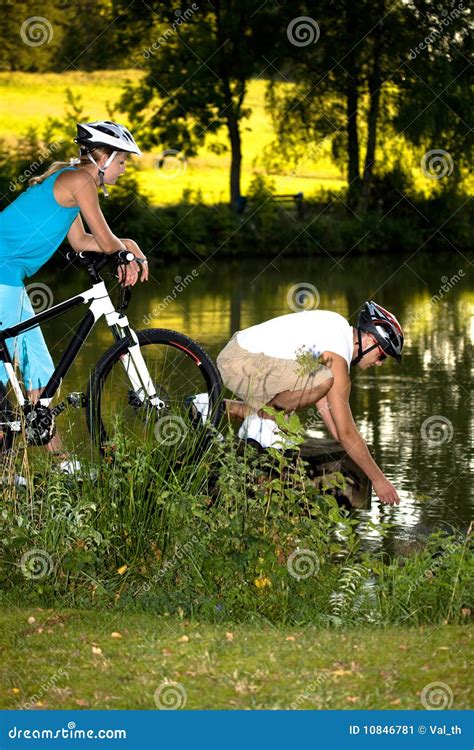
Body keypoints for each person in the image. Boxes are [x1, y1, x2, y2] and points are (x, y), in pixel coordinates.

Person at [0, 120, 149, 467]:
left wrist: (125, 247)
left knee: (34, 369)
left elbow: (83, 241)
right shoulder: (81, 181)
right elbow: (107, 239)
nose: (125, 169)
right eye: (123, 161)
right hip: (2, 273)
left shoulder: (71, 179)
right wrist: (127, 249)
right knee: (21, 368)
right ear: (105, 158)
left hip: (8, 277)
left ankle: (51, 463)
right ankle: (43, 464)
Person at [195, 301, 404, 506]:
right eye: (382, 355)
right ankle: (264, 423)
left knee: (284, 405)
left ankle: (207, 405)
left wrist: (345, 445)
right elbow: (347, 431)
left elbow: (328, 410)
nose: (378, 363)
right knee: (307, 391)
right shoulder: (338, 352)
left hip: (240, 358)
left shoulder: (337, 334)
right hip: (241, 361)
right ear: (369, 339)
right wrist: (379, 479)